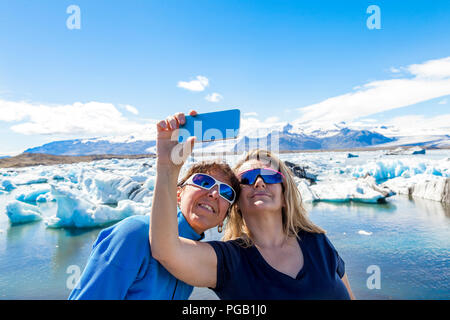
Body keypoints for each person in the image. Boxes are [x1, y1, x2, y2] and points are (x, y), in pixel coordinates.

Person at [150, 110, 355, 300]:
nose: (258, 182)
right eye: (246, 179)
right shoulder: (230, 260)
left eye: (269, 176)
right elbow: (166, 250)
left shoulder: (318, 243)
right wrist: (167, 167)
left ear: (285, 195)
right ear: (237, 202)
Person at [68, 156, 239, 300]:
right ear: (178, 194)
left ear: (223, 219)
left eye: (226, 192)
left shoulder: (197, 258)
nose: (214, 193)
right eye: (204, 181)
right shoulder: (135, 233)